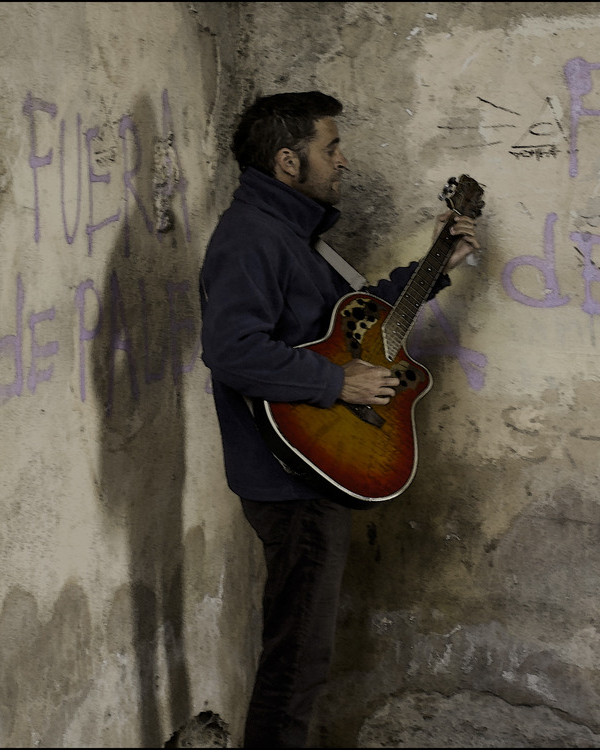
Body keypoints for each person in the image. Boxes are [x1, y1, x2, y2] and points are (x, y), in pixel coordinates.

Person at [198, 91, 479, 747]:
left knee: (301, 659)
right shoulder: (252, 240)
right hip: (289, 479)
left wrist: (437, 264)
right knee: (296, 667)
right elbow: (231, 349)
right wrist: (335, 382)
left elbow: (358, 330)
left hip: (313, 470)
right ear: (289, 161)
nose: (343, 160)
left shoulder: (295, 239)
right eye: (332, 147)